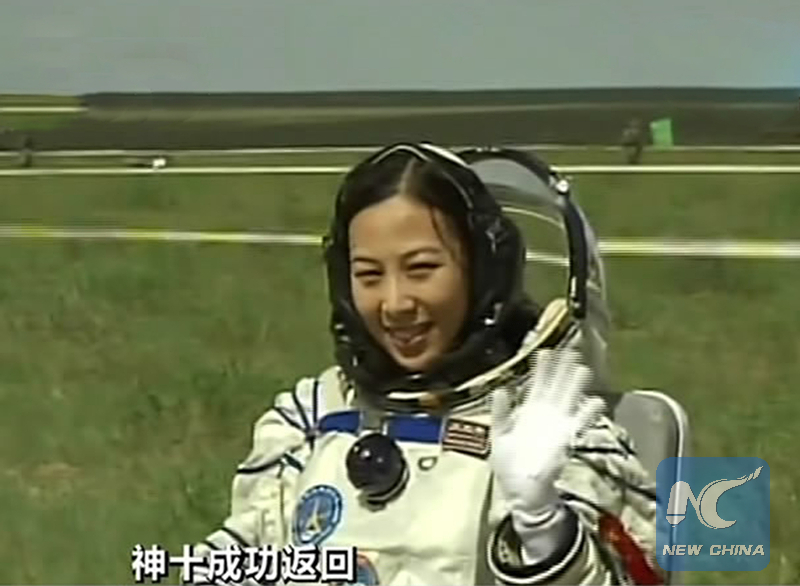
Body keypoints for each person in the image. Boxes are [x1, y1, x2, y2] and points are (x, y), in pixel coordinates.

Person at [193, 143, 660, 585]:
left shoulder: (552, 429)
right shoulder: (310, 419)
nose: (395, 303)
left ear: (481, 270)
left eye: (421, 269)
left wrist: (546, 530)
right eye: (369, 275)